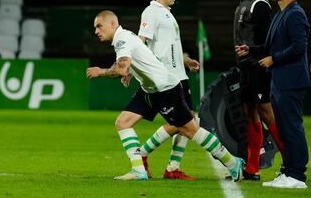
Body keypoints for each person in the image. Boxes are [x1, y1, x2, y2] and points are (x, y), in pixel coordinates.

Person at [86, 10, 244, 181]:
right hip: (149, 89)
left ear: (112, 24)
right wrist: (130, 71)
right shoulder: (124, 37)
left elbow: (121, 67)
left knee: (190, 130)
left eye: (99, 26)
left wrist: (100, 71)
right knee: (123, 123)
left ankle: (233, 163)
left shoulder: (122, 39)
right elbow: (134, 59)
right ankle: (139, 171)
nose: (96, 31)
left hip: (165, 89)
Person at [236, 0, 310, 189]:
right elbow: (271, 47)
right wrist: (252, 50)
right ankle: (288, 172)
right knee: (285, 128)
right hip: (279, 80)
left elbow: (299, 47)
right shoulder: (281, 14)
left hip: (292, 80)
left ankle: (297, 175)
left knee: (292, 127)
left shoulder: (296, 14)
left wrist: (274, 59)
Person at [134, 0, 199, 180]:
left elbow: (169, 46)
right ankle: (143, 154)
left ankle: (172, 168)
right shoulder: (151, 13)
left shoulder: (167, 13)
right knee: (185, 122)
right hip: (166, 78)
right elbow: (141, 41)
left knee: (187, 121)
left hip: (179, 75)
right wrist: (132, 66)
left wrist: (185, 60)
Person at [233, 0, 285, 181]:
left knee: (267, 113)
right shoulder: (243, 3)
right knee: (248, 115)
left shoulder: (260, 4)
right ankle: (252, 168)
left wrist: (252, 52)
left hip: (259, 67)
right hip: (244, 68)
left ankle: (291, 163)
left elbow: (269, 41)